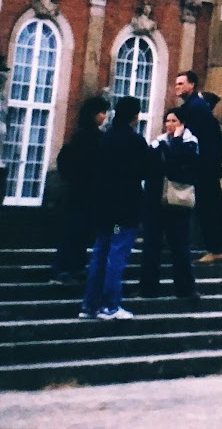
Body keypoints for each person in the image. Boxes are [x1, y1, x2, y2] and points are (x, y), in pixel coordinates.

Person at [78, 96, 151, 320]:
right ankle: (110, 305)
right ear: (134, 115)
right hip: (123, 212)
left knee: (100, 253)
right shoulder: (135, 141)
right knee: (116, 254)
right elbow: (146, 171)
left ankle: (90, 305)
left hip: (104, 209)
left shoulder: (105, 139)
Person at [140, 107, 200, 298]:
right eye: (167, 120)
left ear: (182, 124)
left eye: (174, 121)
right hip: (155, 201)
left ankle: (185, 288)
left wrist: (177, 140)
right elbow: (150, 167)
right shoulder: (157, 143)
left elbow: (177, 163)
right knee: (151, 245)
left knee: (180, 246)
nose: (170, 124)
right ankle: (148, 287)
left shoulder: (190, 144)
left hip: (177, 203)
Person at [175, 71, 222, 263]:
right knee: (215, 204)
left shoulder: (193, 108)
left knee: (207, 207)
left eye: (181, 83)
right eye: (176, 84)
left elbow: (192, 139)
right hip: (209, 166)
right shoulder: (197, 106)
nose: (177, 87)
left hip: (202, 167)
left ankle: (216, 249)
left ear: (192, 85)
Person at [51, 95, 109, 283]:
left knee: (79, 231)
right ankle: (66, 268)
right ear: (93, 114)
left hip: (80, 191)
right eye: (102, 113)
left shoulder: (81, 135)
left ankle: (72, 267)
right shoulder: (90, 137)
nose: (104, 116)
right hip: (84, 192)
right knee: (76, 231)